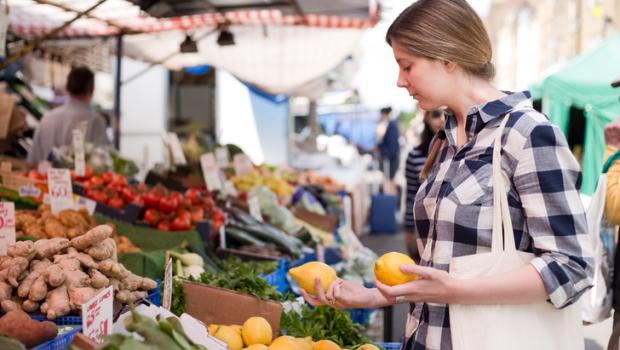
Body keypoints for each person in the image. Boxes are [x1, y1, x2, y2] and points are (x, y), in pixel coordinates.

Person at [301, 1, 593, 349]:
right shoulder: (444, 142)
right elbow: (441, 264)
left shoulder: (528, 134)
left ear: (447, 57)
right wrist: (373, 297)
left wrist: (457, 290)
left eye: (407, 66)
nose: (399, 80)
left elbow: (571, 266)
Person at [27, 66, 110, 165]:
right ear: (92, 90)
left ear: (67, 88)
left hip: (43, 179)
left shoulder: (47, 117)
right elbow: (103, 162)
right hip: (82, 180)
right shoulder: (95, 121)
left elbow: (32, 161)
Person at [404, 109, 445, 260]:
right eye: (436, 114)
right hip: (423, 230)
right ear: (427, 118)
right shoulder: (415, 155)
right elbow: (411, 196)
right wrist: (409, 230)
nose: (442, 119)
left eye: (446, 114)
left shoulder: (461, 151)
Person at [376, 106, 400, 193]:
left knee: (390, 182)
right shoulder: (390, 124)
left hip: (391, 158)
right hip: (391, 157)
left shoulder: (391, 125)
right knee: (390, 181)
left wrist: (387, 155)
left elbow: (392, 143)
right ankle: (392, 201)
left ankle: (392, 203)